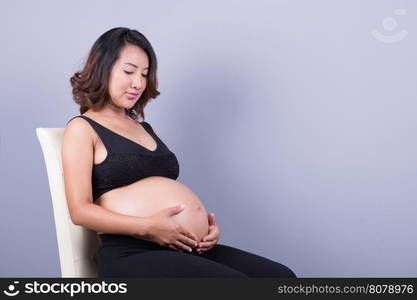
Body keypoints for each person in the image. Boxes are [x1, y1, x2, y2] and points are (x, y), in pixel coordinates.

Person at [62, 27, 297, 278]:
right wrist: (148, 227)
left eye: (144, 74)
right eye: (129, 71)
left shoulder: (146, 129)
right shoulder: (82, 128)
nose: (138, 83)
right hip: (131, 253)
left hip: (181, 247)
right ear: (103, 68)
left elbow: (162, 192)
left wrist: (203, 228)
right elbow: (80, 210)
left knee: (280, 277)